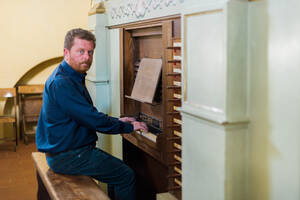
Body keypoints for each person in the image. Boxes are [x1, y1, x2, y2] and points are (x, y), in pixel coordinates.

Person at [36, 28, 148, 200]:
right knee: (125, 176)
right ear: (66, 52)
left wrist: (118, 120)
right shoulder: (62, 82)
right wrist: (127, 126)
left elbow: (87, 114)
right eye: (80, 51)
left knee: (114, 174)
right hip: (67, 155)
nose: (87, 57)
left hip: (67, 151)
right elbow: (92, 119)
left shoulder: (70, 76)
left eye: (90, 52)